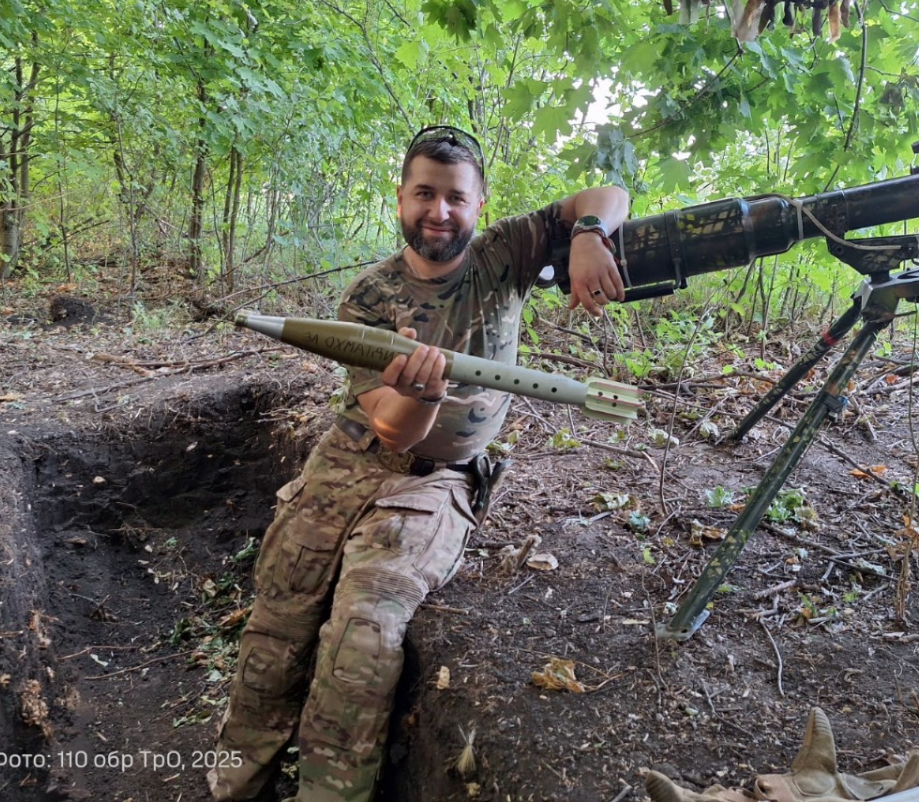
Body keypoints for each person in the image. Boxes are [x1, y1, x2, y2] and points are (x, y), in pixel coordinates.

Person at [207, 125, 630, 802]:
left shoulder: (505, 256)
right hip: (350, 457)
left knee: (363, 634)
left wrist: (586, 235)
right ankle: (236, 781)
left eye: (455, 198)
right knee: (280, 612)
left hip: (436, 483)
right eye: (424, 194)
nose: (439, 212)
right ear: (400, 200)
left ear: (480, 204)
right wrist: (420, 395)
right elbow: (387, 424)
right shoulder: (369, 298)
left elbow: (610, 192)